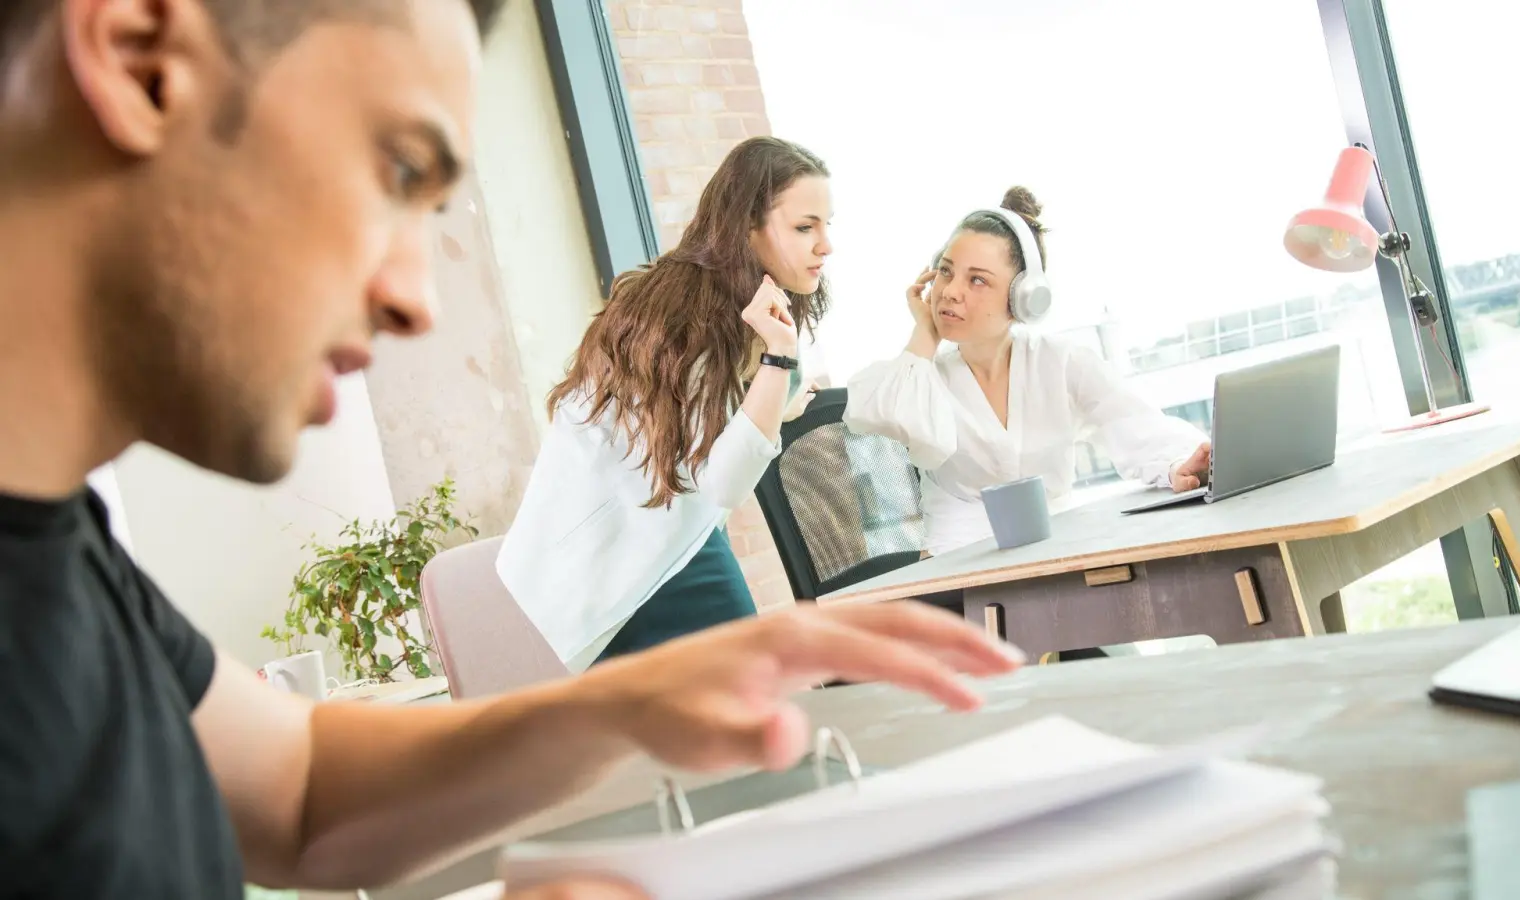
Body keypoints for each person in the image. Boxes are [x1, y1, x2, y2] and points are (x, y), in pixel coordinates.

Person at [0, 3, 1024, 899]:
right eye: (395, 169)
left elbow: (303, 790)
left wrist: (619, 708)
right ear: (142, 65)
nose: (416, 296)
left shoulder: (69, 554)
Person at [498, 136, 831, 671]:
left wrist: (781, 394)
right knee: (759, 703)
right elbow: (722, 480)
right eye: (804, 227)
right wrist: (780, 358)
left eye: (826, 225)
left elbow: (714, 425)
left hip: (636, 548)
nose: (825, 245)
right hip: (623, 569)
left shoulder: (703, 295)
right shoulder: (691, 321)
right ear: (747, 227)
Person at [845, 188, 1211, 557]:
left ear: (1023, 298)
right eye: (945, 271)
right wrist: (924, 334)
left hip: (1058, 554)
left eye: (977, 280)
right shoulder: (922, 378)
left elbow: (1141, 431)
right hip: (957, 567)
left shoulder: (1061, 363)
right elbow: (874, 417)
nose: (950, 292)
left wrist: (1178, 466)